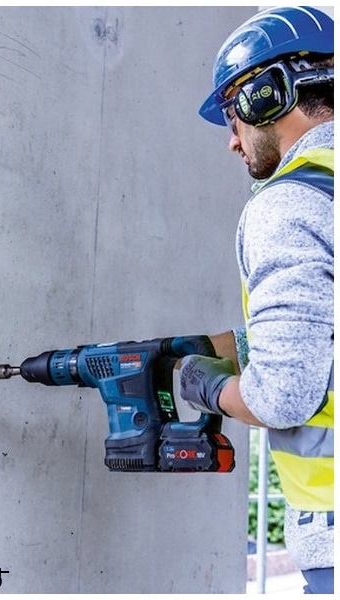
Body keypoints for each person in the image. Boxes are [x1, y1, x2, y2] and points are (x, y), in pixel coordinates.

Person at [175, 6, 334, 594]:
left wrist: (202, 384)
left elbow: (284, 395)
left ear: (267, 95)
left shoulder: (290, 203)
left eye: (232, 116)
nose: (232, 142)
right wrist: (212, 346)